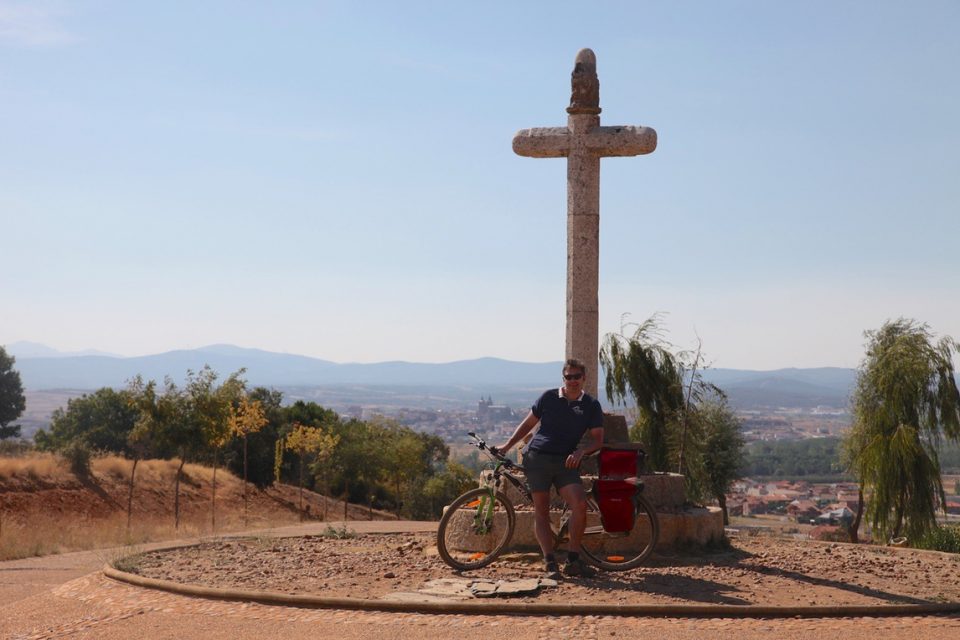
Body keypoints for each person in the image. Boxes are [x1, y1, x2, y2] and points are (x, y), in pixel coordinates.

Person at [495, 358, 604, 579]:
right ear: (563, 378)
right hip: (538, 459)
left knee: (580, 504)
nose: (572, 381)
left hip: (566, 462)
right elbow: (528, 424)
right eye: (568, 377)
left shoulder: (591, 405)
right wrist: (507, 446)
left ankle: (573, 560)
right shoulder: (549, 397)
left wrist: (582, 452)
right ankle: (550, 562)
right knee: (541, 511)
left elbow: (598, 440)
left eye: (577, 377)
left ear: (584, 378)